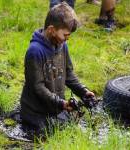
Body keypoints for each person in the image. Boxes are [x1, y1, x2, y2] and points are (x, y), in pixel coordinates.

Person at [20, 2, 95, 140]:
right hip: (35, 113)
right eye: (65, 35)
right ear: (51, 29)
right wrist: (61, 103)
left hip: (55, 108)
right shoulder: (35, 52)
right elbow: (38, 87)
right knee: (45, 138)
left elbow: (69, 74)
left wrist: (83, 91)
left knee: (72, 130)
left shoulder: (62, 45)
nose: (68, 38)